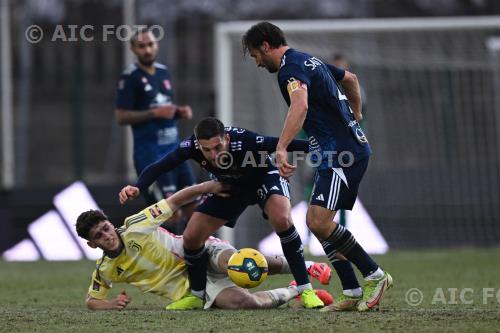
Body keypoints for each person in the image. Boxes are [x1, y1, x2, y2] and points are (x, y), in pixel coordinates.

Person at [242, 22, 392, 312]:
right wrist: (356, 114)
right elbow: (350, 78)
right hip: (338, 152)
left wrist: (282, 146)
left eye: (255, 55)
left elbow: (300, 106)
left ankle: (375, 275)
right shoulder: (309, 59)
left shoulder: (289, 69)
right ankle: (351, 290)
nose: (257, 63)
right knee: (318, 222)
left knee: (319, 223)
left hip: (342, 155)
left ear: (264, 45)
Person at [119, 117, 327, 310]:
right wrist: (138, 186)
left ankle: (305, 289)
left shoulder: (245, 140)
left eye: (218, 147)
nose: (213, 154)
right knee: (191, 237)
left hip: (264, 178)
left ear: (226, 138)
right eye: (207, 150)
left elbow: (284, 143)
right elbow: (160, 166)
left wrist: (325, 149)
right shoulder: (191, 147)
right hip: (230, 187)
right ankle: (197, 295)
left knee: (281, 219)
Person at [77, 181, 329, 310]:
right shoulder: (106, 270)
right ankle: (296, 290)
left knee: (238, 263)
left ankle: (306, 267)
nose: (107, 235)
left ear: (110, 223)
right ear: (92, 244)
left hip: (199, 253)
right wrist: (110, 305)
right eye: (99, 236)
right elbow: (91, 299)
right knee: (246, 304)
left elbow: (176, 200)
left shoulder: (135, 225)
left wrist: (211, 186)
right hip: (192, 289)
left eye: (106, 228)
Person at [114, 27, 196, 233]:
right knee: (171, 214)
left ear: (156, 45)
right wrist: (153, 113)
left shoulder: (163, 72)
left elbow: (164, 109)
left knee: (194, 209)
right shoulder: (130, 77)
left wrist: (178, 112)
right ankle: (169, 260)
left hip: (176, 152)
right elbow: (121, 116)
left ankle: (198, 257)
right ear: (133, 49)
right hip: (151, 155)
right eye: (142, 46)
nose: (147, 50)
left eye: (150, 44)